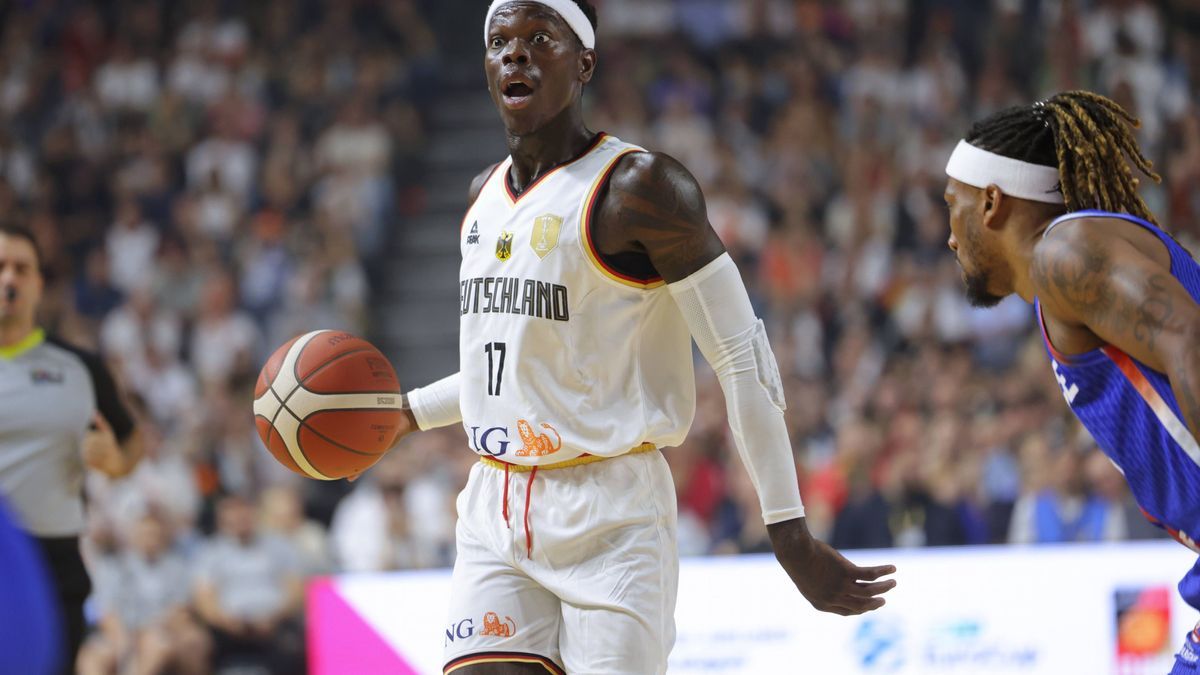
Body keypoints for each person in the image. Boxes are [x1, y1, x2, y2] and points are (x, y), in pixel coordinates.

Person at [378, 2, 896, 673]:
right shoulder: (481, 198)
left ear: (584, 62)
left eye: (540, 39)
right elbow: (499, 372)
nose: (515, 54)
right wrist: (409, 412)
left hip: (613, 512)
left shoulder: (643, 189)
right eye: (500, 41)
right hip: (497, 503)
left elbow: (741, 355)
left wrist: (788, 528)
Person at [942, 90, 1200, 674]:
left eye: (950, 207)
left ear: (990, 202)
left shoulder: (1067, 253)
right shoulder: (1070, 270)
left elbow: (1192, 341)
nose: (950, 238)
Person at [0, 223, 142, 673]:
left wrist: (116, 462)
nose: (9, 279)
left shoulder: (80, 369)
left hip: (52, 564)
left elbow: (132, 439)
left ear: (39, 283)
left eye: (22, 268)